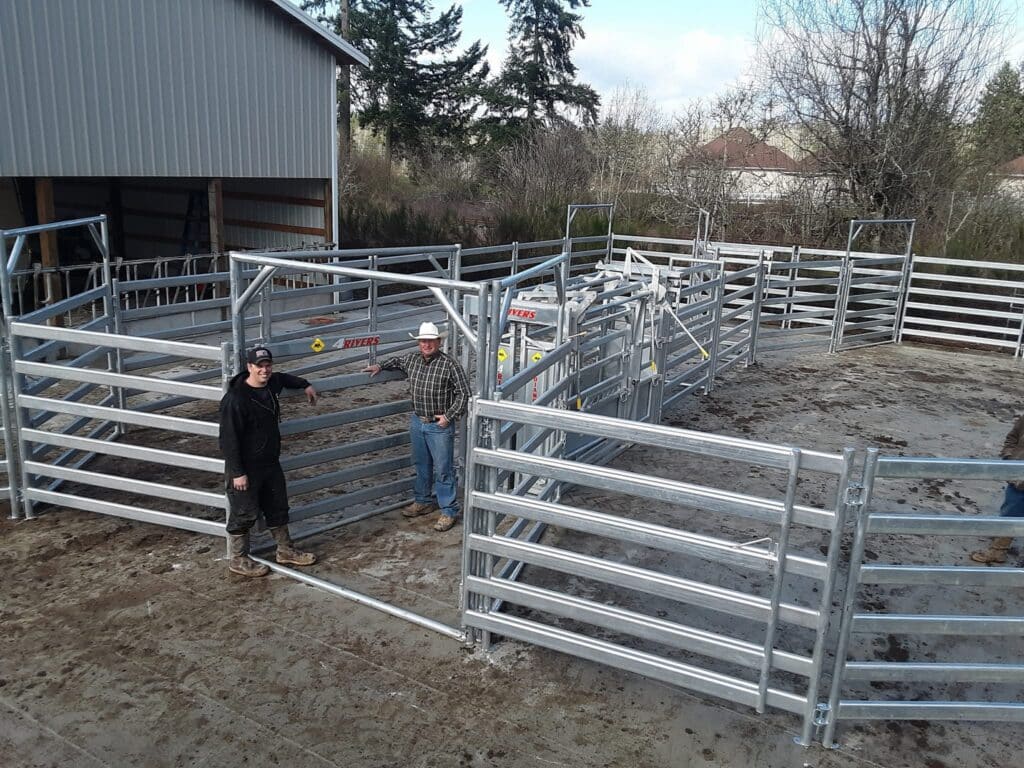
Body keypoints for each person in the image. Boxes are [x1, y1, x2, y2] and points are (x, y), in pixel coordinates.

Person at [219, 345, 319, 577]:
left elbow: (284, 378)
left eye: (268, 365)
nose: (264, 370)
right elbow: (228, 440)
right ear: (249, 367)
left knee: (277, 505)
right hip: (246, 467)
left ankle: (285, 550)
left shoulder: (271, 384)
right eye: (259, 366)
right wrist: (237, 472)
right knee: (243, 512)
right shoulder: (236, 399)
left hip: (270, 462)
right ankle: (238, 558)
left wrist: (305, 384)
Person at [364, 321, 471, 532]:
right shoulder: (412, 360)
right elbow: (397, 360)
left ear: (438, 342)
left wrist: (449, 416)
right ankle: (422, 501)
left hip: (438, 424)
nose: (426, 344)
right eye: (423, 341)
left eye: (430, 341)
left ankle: (448, 510)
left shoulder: (450, 365)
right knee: (422, 464)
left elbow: (464, 393)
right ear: (418, 342)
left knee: (443, 469)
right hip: (418, 420)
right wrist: (381, 365)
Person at [971, 413, 1024, 564]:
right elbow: (1012, 437)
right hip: (1020, 478)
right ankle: (998, 550)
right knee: (1011, 511)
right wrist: (1009, 458)